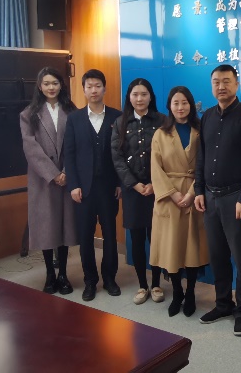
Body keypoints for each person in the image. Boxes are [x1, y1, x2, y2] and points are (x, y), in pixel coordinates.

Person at [194, 64, 241, 336]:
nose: (221, 86)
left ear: (236, 84)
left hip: (236, 199)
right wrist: (199, 189)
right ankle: (223, 304)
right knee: (218, 256)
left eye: (226, 81)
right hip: (210, 197)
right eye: (216, 82)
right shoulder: (207, 116)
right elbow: (201, 155)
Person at [63, 69, 123, 302]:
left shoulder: (117, 117)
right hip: (83, 190)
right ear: (84, 89)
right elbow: (69, 154)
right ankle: (90, 281)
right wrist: (73, 185)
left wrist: (119, 182)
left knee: (110, 234)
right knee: (86, 237)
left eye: (98, 86)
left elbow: (121, 153)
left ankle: (110, 278)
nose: (94, 90)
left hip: (108, 187)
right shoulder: (74, 119)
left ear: (104, 88)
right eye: (89, 86)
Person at [149, 86, 208, 317]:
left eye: (184, 102)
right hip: (168, 198)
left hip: (194, 195)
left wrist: (192, 193)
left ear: (191, 105)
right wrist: (172, 193)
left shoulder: (201, 131)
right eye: (176, 103)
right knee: (171, 248)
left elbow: (206, 164)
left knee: (192, 248)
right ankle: (177, 292)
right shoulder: (160, 134)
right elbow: (155, 168)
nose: (180, 107)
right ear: (169, 106)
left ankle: (190, 292)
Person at [19, 67, 78, 295]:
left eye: (55, 83)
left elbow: (77, 144)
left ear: (61, 85)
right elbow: (30, 148)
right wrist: (53, 174)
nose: (51, 87)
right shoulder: (29, 114)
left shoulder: (71, 110)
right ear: (39, 86)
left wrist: (66, 172)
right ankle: (50, 274)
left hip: (67, 177)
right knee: (46, 227)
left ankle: (63, 274)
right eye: (46, 84)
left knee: (64, 226)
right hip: (43, 179)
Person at [111, 78, 166, 305]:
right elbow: (117, 158)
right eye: (135, 94)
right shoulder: (120, 122)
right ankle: (142, 285)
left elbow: (168, 156)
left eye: (144, 94)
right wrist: (134, 184)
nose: (140, 99)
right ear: (129, 97)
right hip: (133, 191)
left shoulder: (162, 121)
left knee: (156, 238)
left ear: (151, 96)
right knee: (136, 239)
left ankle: (156, 284)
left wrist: (155, 183)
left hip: (157, 190)